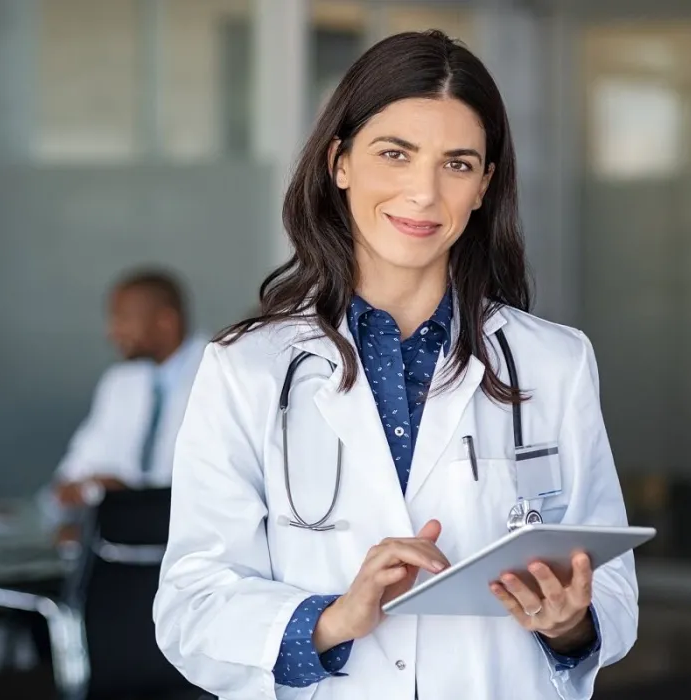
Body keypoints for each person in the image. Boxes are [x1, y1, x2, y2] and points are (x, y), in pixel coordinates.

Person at [153, 31, 637, 700]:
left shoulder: (554, 362)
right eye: (395, 154)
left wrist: (569, 623)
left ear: (483, 186)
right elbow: (192, 604)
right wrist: (332, 620)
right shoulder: (247, 369)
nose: (423, 192)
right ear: (340, 163)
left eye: (457, 164)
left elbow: (610, 585)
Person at [52, 269, 207, 508]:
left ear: (165, 322)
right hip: (121, 526)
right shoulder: (119, 382)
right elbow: (74, 472)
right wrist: (85, 487)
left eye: (123, 320)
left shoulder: (219, 375)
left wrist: (131, 494)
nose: (111, 333)